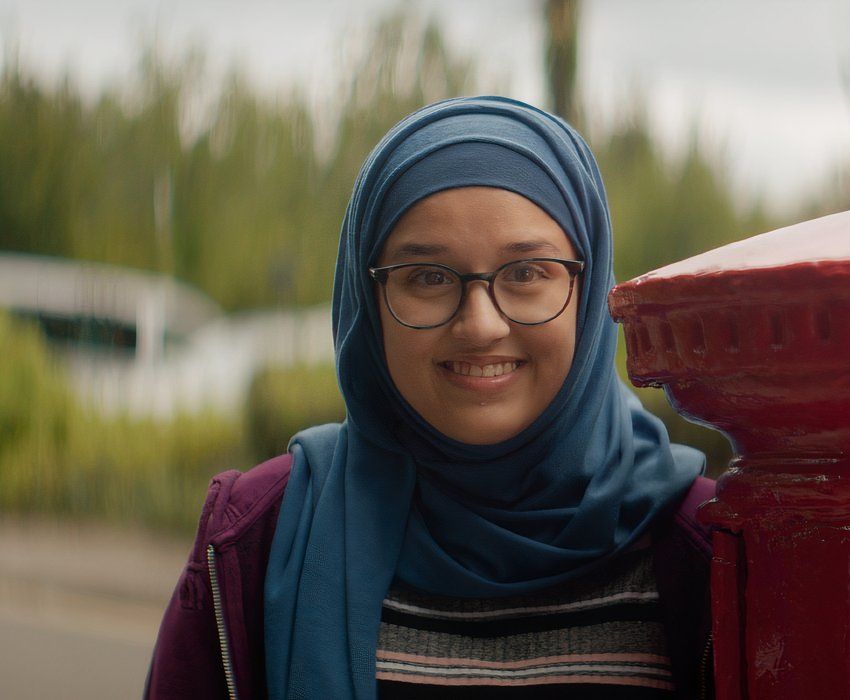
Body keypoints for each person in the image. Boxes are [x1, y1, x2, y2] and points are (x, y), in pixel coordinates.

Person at [146, 96, 715, 699]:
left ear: (589, 286)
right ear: (368, 304)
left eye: (525, 273)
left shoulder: (707, 548)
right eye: (428, 277)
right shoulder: (258, 538)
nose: (479, 325)